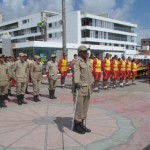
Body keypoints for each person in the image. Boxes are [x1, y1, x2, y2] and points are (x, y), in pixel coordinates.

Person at [73, 45, 94, 134]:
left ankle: (81, 123)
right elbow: (76, 73)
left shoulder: (88, 61)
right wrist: (77, 82)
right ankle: (76, 125)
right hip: (80, 88)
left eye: (87, 51)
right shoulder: (77, 62)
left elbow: (90, 73)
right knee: (79, 107)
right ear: (80, 52)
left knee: (85, 107)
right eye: (85, 51)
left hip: (88, 88)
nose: (87, 53)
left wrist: (93, 81)